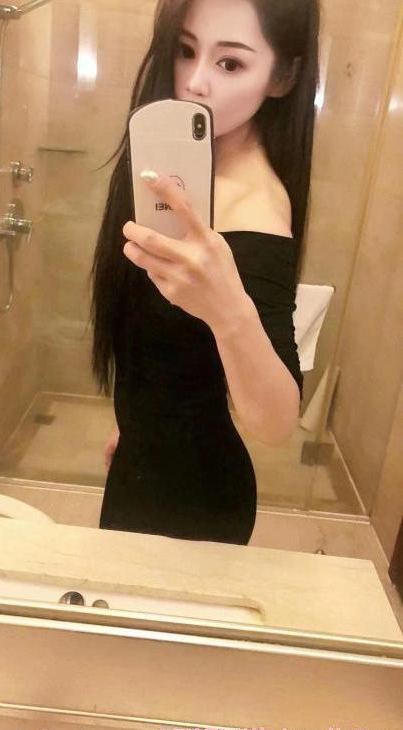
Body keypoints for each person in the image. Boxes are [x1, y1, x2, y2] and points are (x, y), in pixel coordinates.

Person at [91, 0, 320, 545]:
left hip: (195, 501)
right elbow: (163, 347)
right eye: (185, 50)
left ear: (283, 77)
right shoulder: (184, 173)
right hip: (141, 466)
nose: (194, 82)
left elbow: (275, 421)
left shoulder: (256, 209)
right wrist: (135, 423)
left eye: (230, 63)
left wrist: (228, 311)